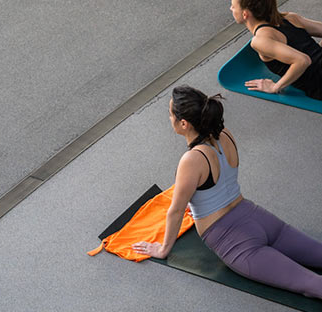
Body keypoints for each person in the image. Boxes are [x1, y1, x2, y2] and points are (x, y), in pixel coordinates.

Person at [132, 86, 322, 298]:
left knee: (311, 284)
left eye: (170, 114)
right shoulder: (225, 134)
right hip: (257, 217)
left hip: (232, 240)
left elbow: (175, 211)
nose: (169, 119)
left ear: (183, 123)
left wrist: (163, 249)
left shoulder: (192, 160)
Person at [230, 0, 322, 99]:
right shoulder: (290, 18)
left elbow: (303, 61)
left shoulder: (260, 41)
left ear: (245, 14)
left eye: (233, 6)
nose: (231, 8)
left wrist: (275, 87)